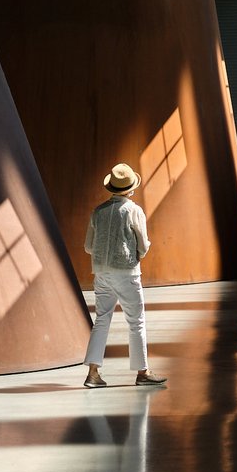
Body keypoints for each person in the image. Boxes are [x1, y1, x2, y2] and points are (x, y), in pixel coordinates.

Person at [82, 163, 167, 388]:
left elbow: (88, 246)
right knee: (136, 322)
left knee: (101, 320)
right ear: (131, 188)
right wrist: (135, 252)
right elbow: (143, 246)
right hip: (127, 272)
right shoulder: (134, 210)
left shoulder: (97, 211)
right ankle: (143, 372)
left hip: (101, 272)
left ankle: (93, 373)